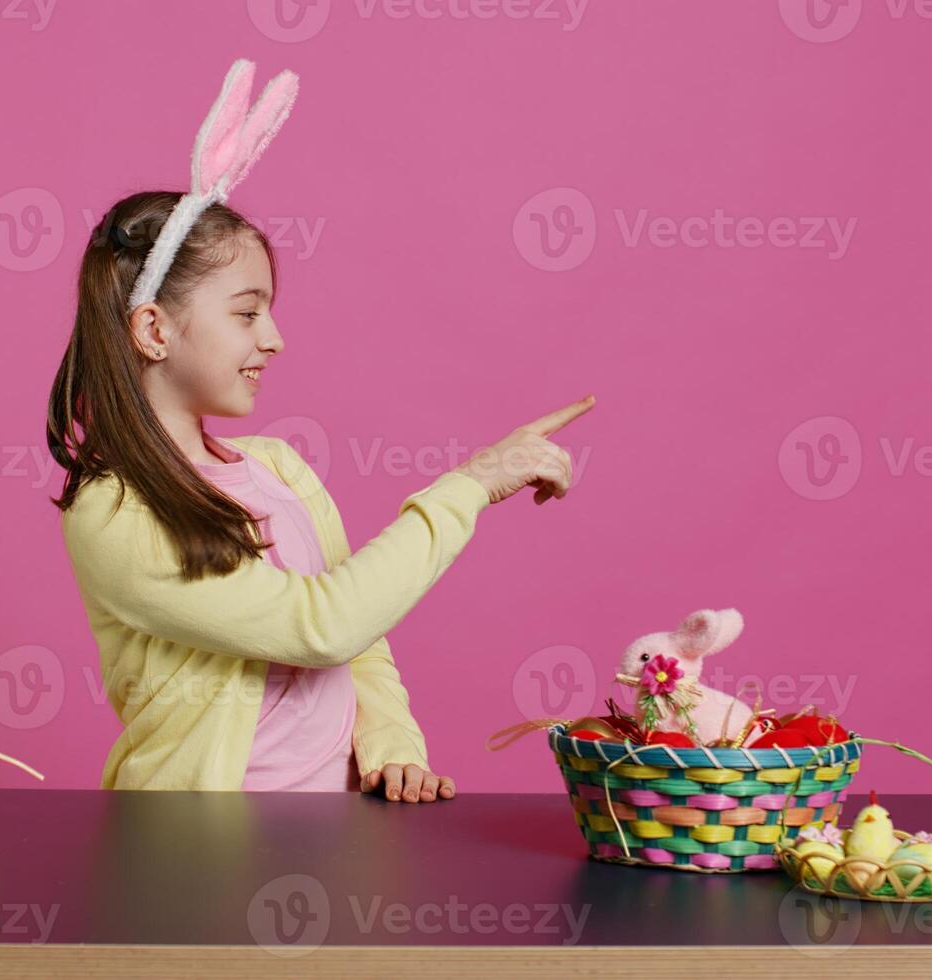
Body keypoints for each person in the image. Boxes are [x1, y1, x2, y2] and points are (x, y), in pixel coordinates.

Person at [46, 191, 594, 802]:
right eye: (246, 314)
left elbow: (362, 636)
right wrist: (470, 486)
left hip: (339, 830)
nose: (275, 338)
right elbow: (324, 625)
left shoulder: (279, 467)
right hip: (197, 852)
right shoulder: (114, 509)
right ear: (154, 329)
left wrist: (391, 743)